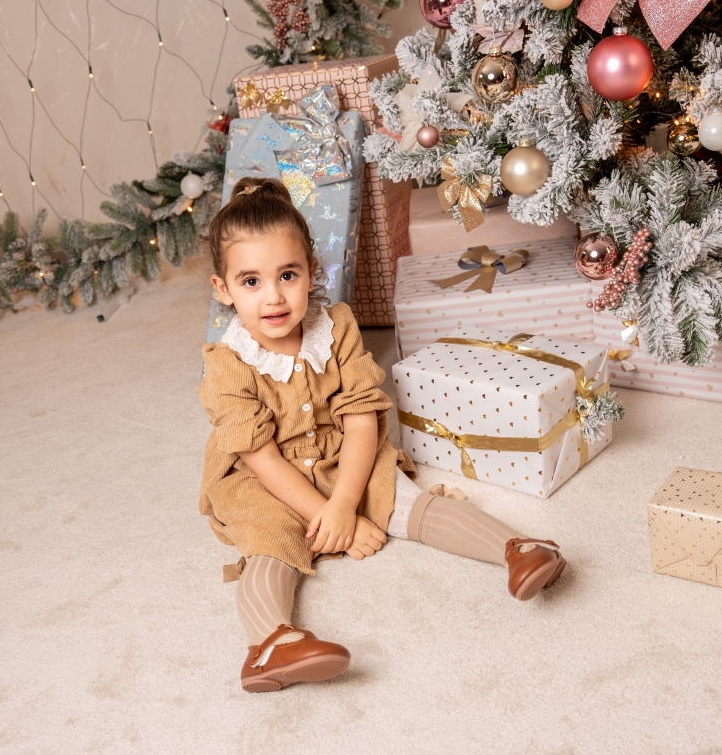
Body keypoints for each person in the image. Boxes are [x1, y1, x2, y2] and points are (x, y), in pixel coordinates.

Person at [199, 176, 567, 693]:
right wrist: (334, 520)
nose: (275, 296)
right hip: (266, 476)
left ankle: (517, 548)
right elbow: (262, 458)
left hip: (341, 453)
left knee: (402, 499)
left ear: (312, 271)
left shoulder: (336, 326)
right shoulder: (227, 363)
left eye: (288, 275)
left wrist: (345, 503)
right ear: (223, 289)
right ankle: (271, 644)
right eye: (251, 282)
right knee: (269, 541)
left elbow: (360, 419)